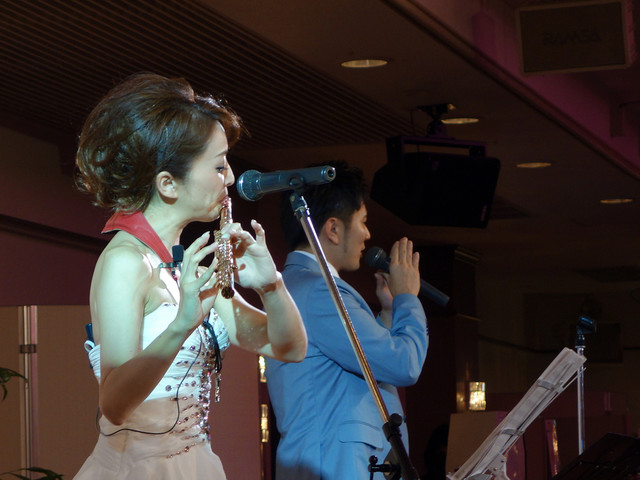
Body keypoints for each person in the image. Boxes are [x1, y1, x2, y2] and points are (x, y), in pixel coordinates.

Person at [72, 73, 307, 480]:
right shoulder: (125, 262)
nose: (230, 178)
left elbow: (290, 348)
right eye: (218, 165)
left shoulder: (189, 270)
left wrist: (272, 285)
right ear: (168, 183)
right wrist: (181, 325)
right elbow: (113, 402)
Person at [265, 160, 429, 479]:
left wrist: (389, 312)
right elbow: (403, 364)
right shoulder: (319, 292)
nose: (368, 234)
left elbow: (364, 369)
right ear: (333, 229)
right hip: (336, 466)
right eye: (363, 222)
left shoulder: (303, 286)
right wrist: (408, 297)